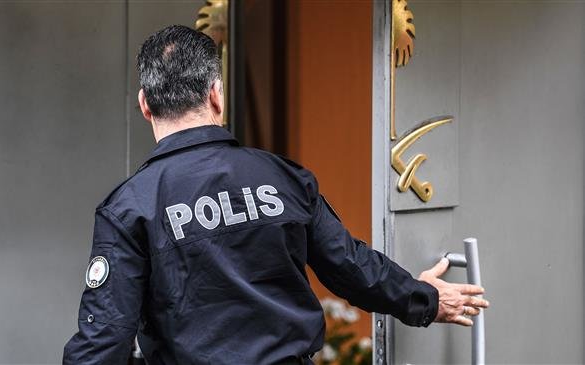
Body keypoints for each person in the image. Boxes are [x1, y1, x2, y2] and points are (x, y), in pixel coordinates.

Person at [63, 25, 489, 365]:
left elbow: (105, 339)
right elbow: (350, 267)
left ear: (145, 105)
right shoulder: (284, 178)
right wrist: (427, 298)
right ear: (216, 94)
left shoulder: (129, 209)